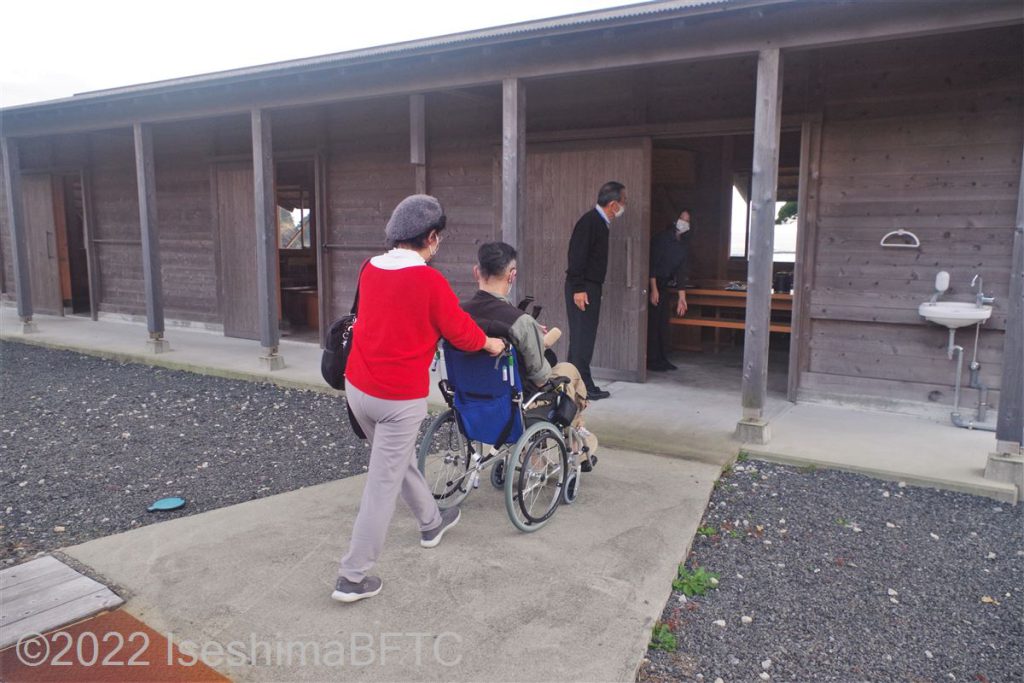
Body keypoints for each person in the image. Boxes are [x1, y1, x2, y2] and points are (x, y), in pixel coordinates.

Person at [333, 195, 506, 604]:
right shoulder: (429, 281)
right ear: (430, 237)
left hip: (359, 388)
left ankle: (431, 522)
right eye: (438, 238)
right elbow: (460, 331)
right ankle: (352, 576)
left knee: (396, 463)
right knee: (381, 485)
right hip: (398, 399)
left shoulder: (369, 267)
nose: (438, 245)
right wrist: (491, 343)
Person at [462, 242, 599, 471]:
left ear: (477, 272)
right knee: (569, 372)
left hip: (468, 398)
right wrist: (537, 344)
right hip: (516, 402)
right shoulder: (520, 321)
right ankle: (577, 432)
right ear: (512, 275)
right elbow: (540, 377)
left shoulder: (458, 314)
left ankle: (572, 431)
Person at [564, 181, 628, 400]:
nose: (623, 206)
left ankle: (576, 382)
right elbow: (576, 257)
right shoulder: (590, 222)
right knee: (582, 337)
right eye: (623, 202)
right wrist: (579, 288)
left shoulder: (600, 223)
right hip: (582, 287)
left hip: (590, 286)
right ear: (612, 204)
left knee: (584, 337)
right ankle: (581, 384)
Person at [647, 208, 692, 371]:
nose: (684, 223)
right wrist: (653, 289)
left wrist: (682, 298)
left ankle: (662, 358)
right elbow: (652, 264)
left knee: (663, 323)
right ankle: (652, 360)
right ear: (675, 219)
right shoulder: (662, 238)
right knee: (653, 322)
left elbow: (681, 272)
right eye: (682, 218)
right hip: (653, 282)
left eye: (687, 221)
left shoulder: (683, 245)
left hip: (665, 284)